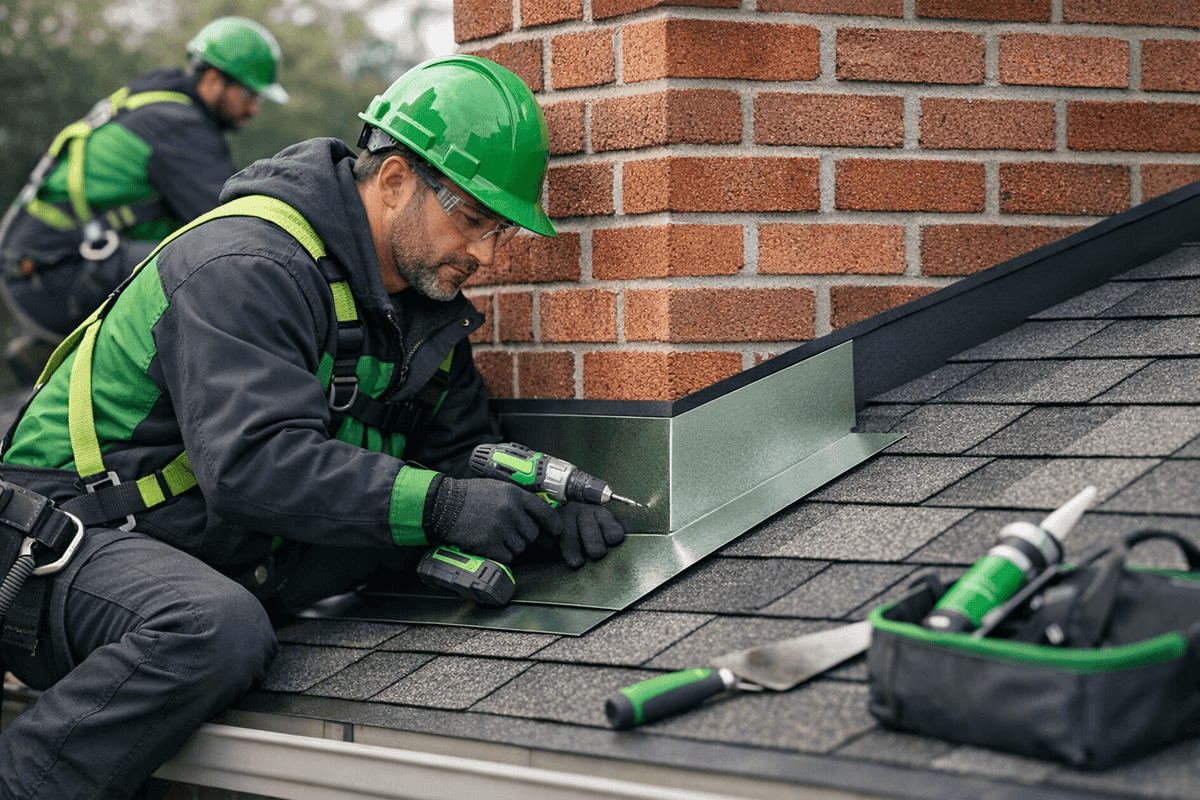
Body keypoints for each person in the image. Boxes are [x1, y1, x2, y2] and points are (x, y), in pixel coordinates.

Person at [0, 54, 626, 799]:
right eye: (473, 219)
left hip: (201, 549)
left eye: (504, 234)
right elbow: (253, 467)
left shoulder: (422, 320)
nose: (486, 255)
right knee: (215, 631)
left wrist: (544, 514)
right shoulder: (246, 263)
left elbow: (459, 455)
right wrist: (444, 507)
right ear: (394, 181)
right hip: (60, 548)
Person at [0, 16, 288, 385]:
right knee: (212, 270)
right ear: (214, 80)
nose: (253, 110)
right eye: (248, 95)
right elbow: (231, 225)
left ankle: (57, 351)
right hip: (53, 277)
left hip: (38, 268)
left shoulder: (154, 103)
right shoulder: (178, 127)